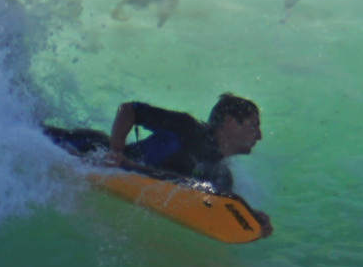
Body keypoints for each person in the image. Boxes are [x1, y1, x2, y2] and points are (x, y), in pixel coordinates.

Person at [45, 93, 272, 237]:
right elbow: (129, 109)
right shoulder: (186, 129)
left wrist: (253, 219)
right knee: (27, 131)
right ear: (230, 123)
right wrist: (115, 153)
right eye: (254, 125)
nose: (259, 135)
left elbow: (224, 208)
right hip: (87, 147)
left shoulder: (221, 178)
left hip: (127, 172)